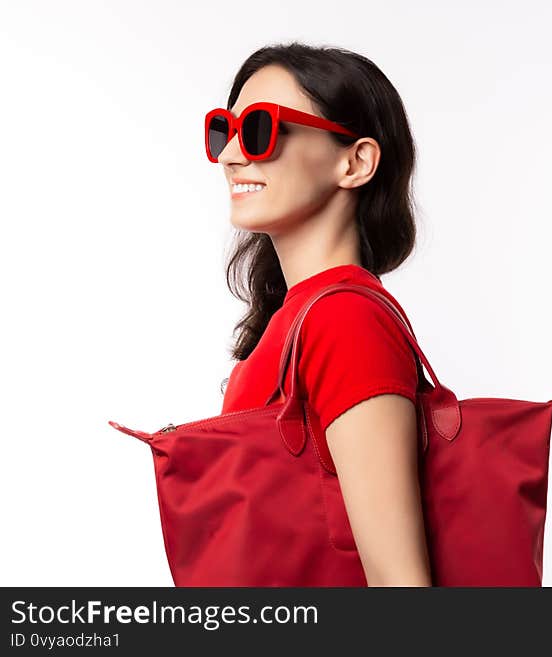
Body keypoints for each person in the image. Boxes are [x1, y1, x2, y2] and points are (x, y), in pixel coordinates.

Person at [208, 42, 431, 586]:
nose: (232, 154)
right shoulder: (293, 323)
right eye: (223, 130)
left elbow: (400, 584)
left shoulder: (344, 320)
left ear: (354, 162)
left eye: (260, 129)